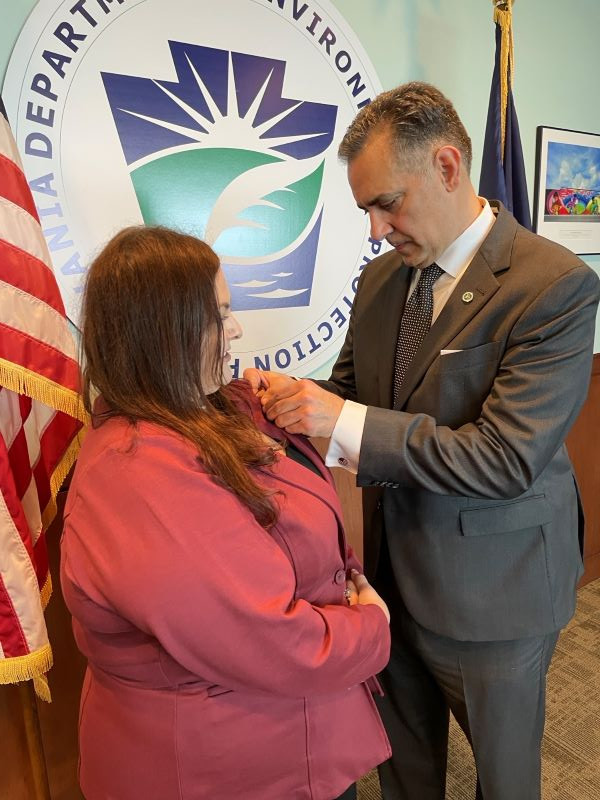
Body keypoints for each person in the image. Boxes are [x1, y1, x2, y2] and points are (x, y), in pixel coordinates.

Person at [244, 82, 600, 800]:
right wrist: (282, 404)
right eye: (366, 210)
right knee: (404, 772)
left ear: (446, 167)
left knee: (504, 782)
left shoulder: (555, 287)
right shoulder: (381, 279)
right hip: (387, 584)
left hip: (495, 597)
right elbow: (350, 397)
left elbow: (504, 457)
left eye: (387, 203)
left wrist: (336, 418)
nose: (376, 230)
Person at [59, 226, 393, 800]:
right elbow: (271, 640)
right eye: (218, 314)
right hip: (225, 768)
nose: (235, 329)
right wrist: (371, 629)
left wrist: (259, 400)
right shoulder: (136, 476)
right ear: (161, 334)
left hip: (279, 739)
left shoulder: (190, 413)